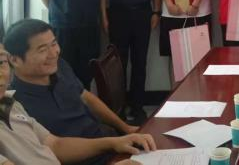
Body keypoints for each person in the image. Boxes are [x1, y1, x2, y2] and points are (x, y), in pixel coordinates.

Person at [0, 41, 153, 165]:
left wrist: (114, 142)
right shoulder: (23, 97)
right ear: (15, 60)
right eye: (42, 49)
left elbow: (55, 145)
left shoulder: (11, 105)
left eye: (1, 62)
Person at [6, 20, 137, 144]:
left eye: (54, 44)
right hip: (90, 154)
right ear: (15, 60)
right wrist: (111, 144)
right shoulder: (14, 104)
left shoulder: (59, 66)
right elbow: (55, 148)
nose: (54, 54)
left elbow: (87, 98)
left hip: (108, 138)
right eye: (43, 49)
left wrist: (126, 128)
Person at [102, 0, 160, 124]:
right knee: (118, 64)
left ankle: (138, 107)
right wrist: (104, 17)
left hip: (143, 14)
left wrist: (156, 11)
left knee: (140, 62)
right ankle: (118, 109)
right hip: (118, 14)